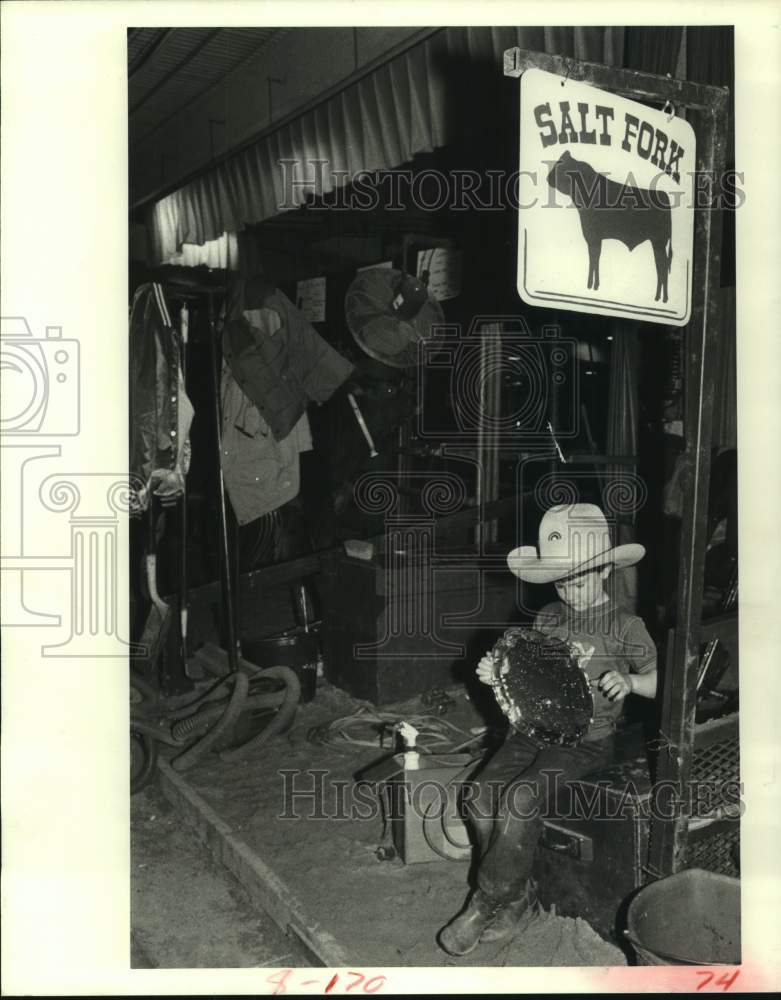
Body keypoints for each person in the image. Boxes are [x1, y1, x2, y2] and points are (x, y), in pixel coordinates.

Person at [438, 503, 658, 955]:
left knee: (520, 799)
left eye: (577, 580)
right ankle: (519, 897)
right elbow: (529, 677)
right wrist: (495, 673)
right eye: (560, 582)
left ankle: (487, 900)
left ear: (602, 571)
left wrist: (633, 681)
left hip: (587, 742)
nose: (569, 591)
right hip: (534, 730)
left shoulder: (624, 625)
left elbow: (663, 680)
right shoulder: (549, 618)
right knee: (478, 797)